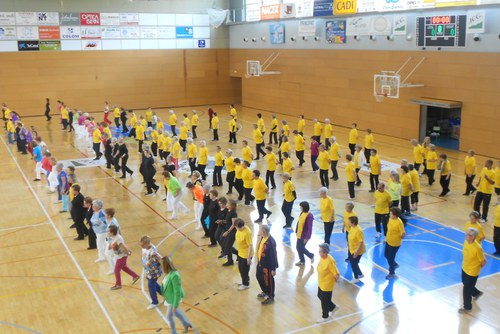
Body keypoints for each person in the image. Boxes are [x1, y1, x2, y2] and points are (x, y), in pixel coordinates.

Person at [160, 257, 196, 334]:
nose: (160, 267)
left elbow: (177, 292)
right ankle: (186, 324)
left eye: (161, 265)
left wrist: (175, 305)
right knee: (176, 313)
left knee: (169, 316)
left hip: (174, 299)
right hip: (169, 298)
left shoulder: (175, 275)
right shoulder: (167, 274)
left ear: (165, 266)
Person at [459, 228, 486, 313]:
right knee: (466, 284)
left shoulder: (478, 248)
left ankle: (467, 307)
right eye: (466, 234)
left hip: (472, 272)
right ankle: (476, 293)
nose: (467, 236)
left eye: (469, 235)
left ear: (474, 237)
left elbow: (483, 261)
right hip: (464, 268)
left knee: (466, 290)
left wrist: (476, 268)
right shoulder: (466, 242)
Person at [109, 225, 139, 289]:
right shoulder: (113, 237)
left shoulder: (118, 238)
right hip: (119, 256)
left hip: (122, 256)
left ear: (112, 232)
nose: (108, 232)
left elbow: (123, 246)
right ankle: (135, 276)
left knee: (116, 270)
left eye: (109, 231)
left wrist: (128, 252)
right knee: (124, 267)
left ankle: (118, 284)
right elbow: (112, 245)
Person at [316, 243, 340, 323]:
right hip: (321, 282)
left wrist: (336, 280)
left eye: (320, 251)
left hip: (327, 284)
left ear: (325, 253)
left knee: (324, 301)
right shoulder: (322, 258)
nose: (319, 253)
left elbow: (336, 273)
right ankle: (333, 307)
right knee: (319, 295)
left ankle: (325, 317)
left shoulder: (330, 261)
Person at [256, 224, 278, 305]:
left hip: (268, 266)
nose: (258, 231)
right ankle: (265, 291)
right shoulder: (263, 238)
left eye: (259, 230)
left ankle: (271, 296)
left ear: (263, 231)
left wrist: (273, 269)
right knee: (258, 276)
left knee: (269, 281)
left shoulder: (270, 242)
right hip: (261, 263)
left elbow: (273, 256)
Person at [140, 235, 163, 309]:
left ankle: (155, 302)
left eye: (142, 244)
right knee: (154, 284)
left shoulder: (153, 251)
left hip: (153, 272)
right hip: (148, 271)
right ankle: (165, 294)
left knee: (150, 285)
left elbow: (158, 258)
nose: (141, 246)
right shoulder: (144, 248)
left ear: (147, 244)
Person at [384, 207, 406, 279]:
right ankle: (395, 264)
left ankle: (392, 272)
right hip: (388, 241)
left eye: (391, 213)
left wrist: (399, 238)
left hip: (395, 243)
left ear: (395, 215)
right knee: (386, 255)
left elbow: (403, 233)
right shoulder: (390, 219)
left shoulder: (399, 223)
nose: (389, 214)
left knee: (390, 257)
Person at [235, 219, 253, 290]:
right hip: (240, 252)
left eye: (236, 227)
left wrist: (248, 258)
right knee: (240, 269)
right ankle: (244, 281)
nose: (236, 228)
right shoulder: (239, 229)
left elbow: (250, 245)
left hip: (246, 254)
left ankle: (245, 284)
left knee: (244, 270)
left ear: (240, 227)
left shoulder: (247, 233)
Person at [295, 201, 314, 266]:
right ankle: (302, 260)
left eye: (301, 207)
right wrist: (296, 231)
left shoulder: (309, 216)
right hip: (299, 234)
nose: (300, 208)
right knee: (299, 247)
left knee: (300, 248)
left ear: (304, 207)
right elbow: (299, 222)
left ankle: (310, 256)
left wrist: (307, 238)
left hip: (304, 235)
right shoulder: (302, 213)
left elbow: (310, 228)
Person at [347, 215, 365, 283]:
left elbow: (360, 242)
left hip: (357, 250)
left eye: (349, 222)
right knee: (353, 262)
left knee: (354, 263)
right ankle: (360, 274)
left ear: (353, 223)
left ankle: (356, 277)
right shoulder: (352, 228)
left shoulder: (358, 230)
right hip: (352, 248)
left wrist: (356, 252)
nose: (348, 223)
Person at [221, 199, 238, 266]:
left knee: (227, 247)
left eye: (228, 204)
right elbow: (228, 221)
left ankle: (230, 261)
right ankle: (237, 253)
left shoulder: (234, 213)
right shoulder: (229, 210)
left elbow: (234, 224)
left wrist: (227, 232)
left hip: (232, 232)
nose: (227, 204)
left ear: (232, 206)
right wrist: (222, 221)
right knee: (226, 245)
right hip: (228, 230)